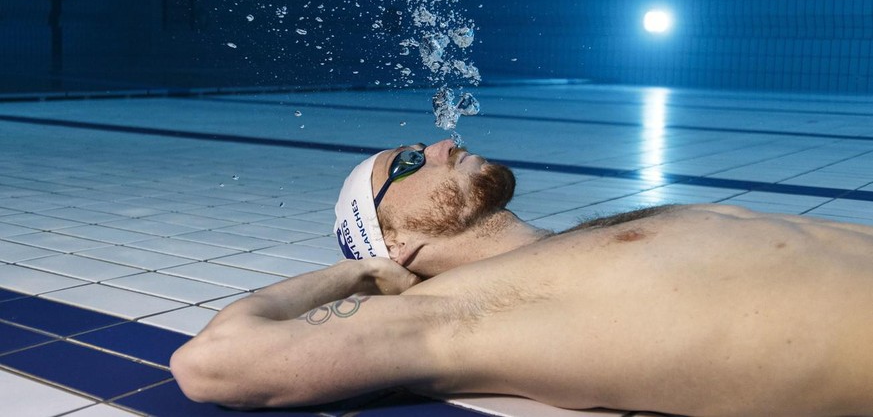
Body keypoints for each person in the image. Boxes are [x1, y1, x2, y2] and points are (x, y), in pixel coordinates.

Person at [170, 139, 873, 416]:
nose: (441, 145)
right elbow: (212, 365)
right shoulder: (465, 309)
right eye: (407, 164)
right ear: (397, 242)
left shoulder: (573, 247)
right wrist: (349, 273)